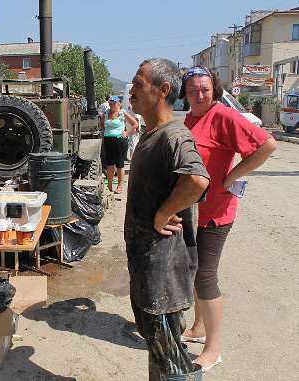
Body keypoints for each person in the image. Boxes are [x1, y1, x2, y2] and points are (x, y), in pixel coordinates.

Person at [179, 66, 277, 372]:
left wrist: (231, 176)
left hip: (215, 213)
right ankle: (198, 329)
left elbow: (267, 144)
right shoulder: (190, 117)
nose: (199, 95)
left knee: (206, 276)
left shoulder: (223, 116)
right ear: (185, 92)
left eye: (204, 89)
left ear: (215, 90)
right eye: (193, 90)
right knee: (194, 269)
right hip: (192, 210)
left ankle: (214, 349)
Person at [124, 58, 210, 380]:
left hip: (164, 274)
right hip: (148, 269)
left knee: (172, 363)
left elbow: (197, 180)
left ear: (162, 90)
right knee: (160, 359)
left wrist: (162, 213)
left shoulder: (174, 136)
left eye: (138, 84)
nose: (131, 91)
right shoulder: (150, 134)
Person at [100, 94, 139, 194]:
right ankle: (109, 185)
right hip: (108, 139)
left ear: (119, 104)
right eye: (110, 103)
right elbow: (101, 123)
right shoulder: (106, 112)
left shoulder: (123, 113)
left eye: (114, 103)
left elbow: (135, 124)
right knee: (109, 164)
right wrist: (105, 131)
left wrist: (126, 132)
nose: (112, 105)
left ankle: (119, 186)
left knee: (120, 164)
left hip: (119, 140)